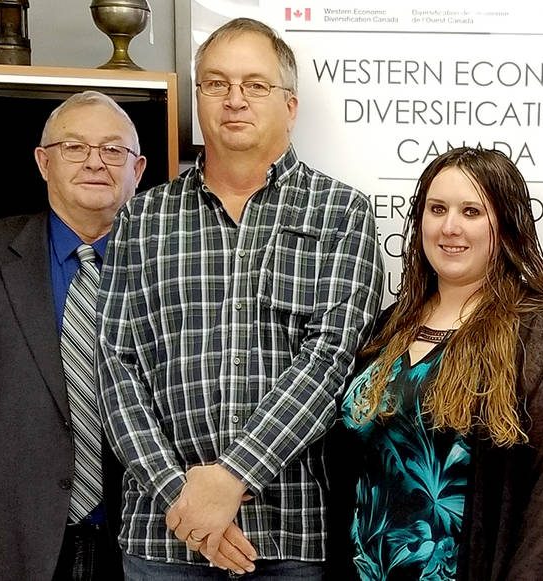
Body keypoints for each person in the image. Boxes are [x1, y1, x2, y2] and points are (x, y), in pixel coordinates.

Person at [98, 17, 382, 580]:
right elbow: (115, 364)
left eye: (255, 85)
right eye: (216, 84)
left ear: (291, 106)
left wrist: (232, 476)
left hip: (289, 535)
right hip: (163, 534)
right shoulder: (142, 216)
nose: (234, 100)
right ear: (197, 96)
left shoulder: (341, 213)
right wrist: (183, 499)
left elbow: (333, 360)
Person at [322, 147, 543, 581]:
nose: (450, 227)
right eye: (437, 209)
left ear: (506, 227)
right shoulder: (389, 326)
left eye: (471, 211)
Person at [0, 91, 149, 581]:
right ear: (43, 161)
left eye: (112, 150)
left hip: (145, 536)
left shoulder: (169, 264)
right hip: (8, 532)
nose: (94, 163)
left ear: (137, 170)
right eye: (74, 148)